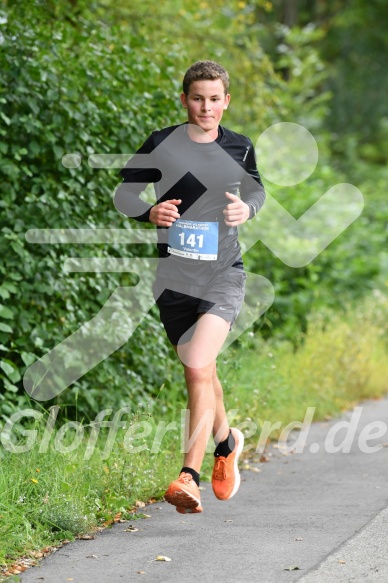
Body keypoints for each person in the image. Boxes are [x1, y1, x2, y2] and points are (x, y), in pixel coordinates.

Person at [115, 60, 265, 514]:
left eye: (215, 99)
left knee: (198, 365)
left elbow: (256, 190)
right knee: (203, 370)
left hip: (224, 274)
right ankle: (226, 444)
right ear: (184, 100)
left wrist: (247, 210)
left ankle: (189, 475)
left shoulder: (239, 147)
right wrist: (149, 213)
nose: (206, 107)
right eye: (197, 98)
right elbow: (125, 193)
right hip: (174, 279)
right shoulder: (162, 143)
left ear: (227, 101)